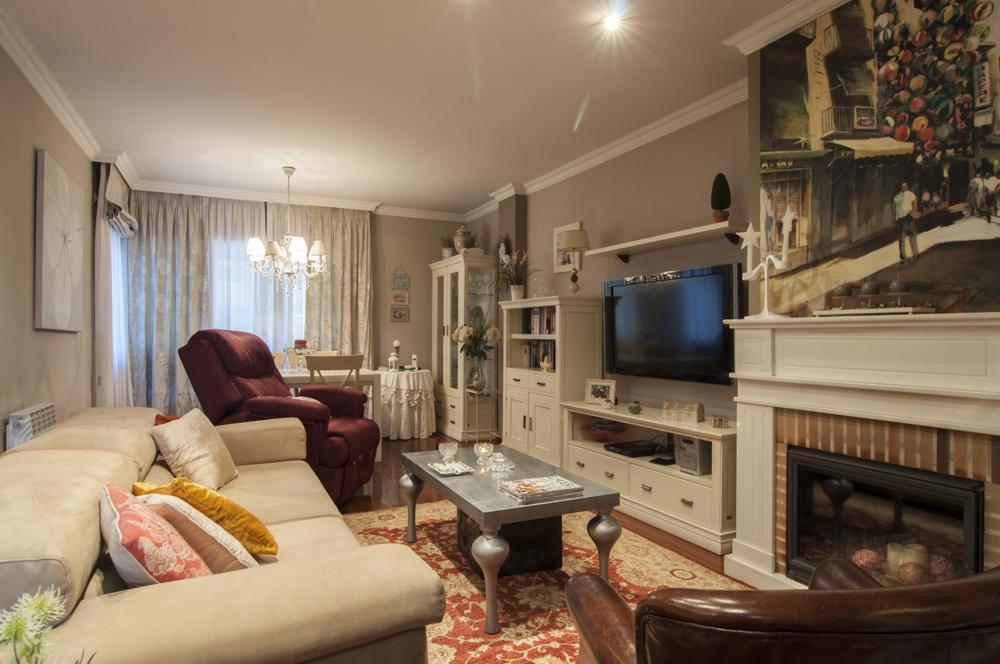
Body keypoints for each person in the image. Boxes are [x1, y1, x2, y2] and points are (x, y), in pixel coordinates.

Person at [893, 182, 919, 263]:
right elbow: (894, 207)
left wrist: (913, 212)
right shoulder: (897, 196)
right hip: (901, 218)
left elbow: (915, 202)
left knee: (912, 235)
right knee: (901, 237)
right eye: (902, 186)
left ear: (907, 186)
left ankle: (915, 253)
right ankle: (903, 256)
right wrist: (896, 218)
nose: (904, 187)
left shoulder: (911, 194)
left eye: (905, 186)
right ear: (901, 187)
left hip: (909, 216)